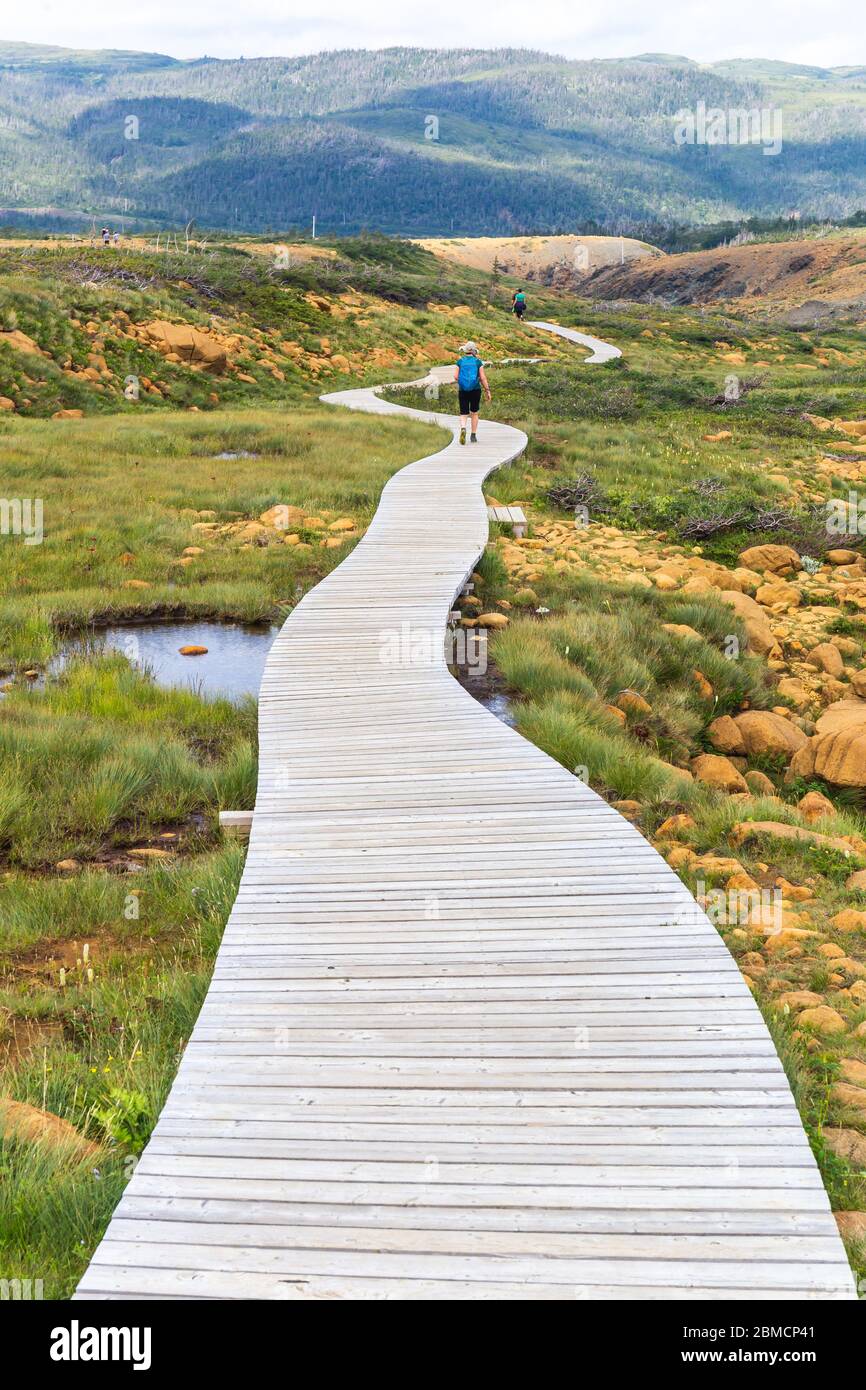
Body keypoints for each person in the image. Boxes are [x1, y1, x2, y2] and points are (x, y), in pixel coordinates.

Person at [454, 341, 491, 445]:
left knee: (463, 413)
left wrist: (462, 383)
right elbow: (483, 378)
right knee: (474, 413)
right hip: (475, 390)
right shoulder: (478, 362)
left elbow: (456, 376)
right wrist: (487, 390)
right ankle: (473, 435)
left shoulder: (460, 362)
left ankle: (463, 428)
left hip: (463, 390)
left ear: (465, 350)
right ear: (474, 351)